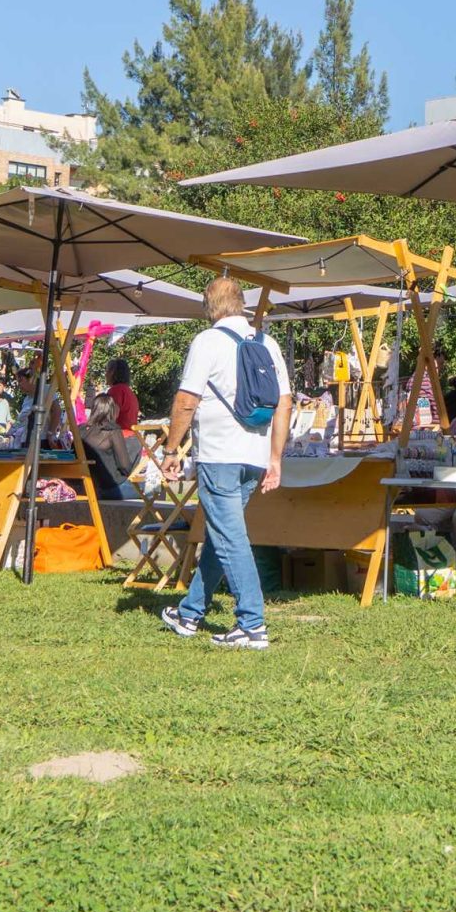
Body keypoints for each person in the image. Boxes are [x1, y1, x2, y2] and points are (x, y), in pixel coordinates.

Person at [158, 274, 291, 650]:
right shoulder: (268, 342)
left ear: (209, 308)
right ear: (242, 304)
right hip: (254, 456)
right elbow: (285, 403)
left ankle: (252, 624)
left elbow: (187, 400)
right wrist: (275, 458)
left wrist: (171, 451)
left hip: (219, 454)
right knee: (222, 533)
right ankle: (190, 613)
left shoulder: (208, 341)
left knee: (230, 537)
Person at [103, 357, 141, 434]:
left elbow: (110, 419)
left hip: (121, 439)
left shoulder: (116, 391)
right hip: (134, 438)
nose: (105, 374)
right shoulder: (129, 391)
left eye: (106, 371)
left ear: (112, 372)